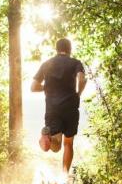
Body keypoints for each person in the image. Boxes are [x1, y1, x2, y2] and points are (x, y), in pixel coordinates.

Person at [31, 38, 87, 173]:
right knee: (68, 143)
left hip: (52, 108)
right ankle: (64, 176)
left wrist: (47, 88)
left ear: (56, 49)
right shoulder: (75, 63)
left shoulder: (47, 64)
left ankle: (48, 136)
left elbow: (33, 87)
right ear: (70, 49)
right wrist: (78, 93)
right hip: (70, 107)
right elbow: (81, 79)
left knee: (55, 148)